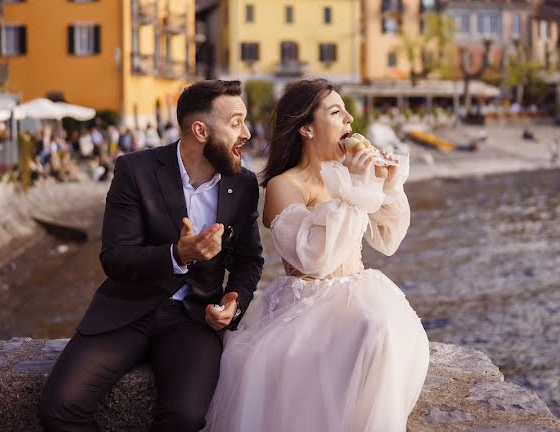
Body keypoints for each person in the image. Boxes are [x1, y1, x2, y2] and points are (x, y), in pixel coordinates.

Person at [37, 80, 264, 432]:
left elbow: (249, 260)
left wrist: (236, 299)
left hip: (193, 320)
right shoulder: (135, 170)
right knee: (59, 407)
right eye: (236, 123)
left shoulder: (244, 185)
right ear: (200, 130)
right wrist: (177, 254)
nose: (247, 133)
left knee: (186, 417)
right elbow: (115, 257)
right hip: (126, 311)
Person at [205, 78, 428, 431]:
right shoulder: (285, 186)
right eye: (337, 112)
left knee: (393, 331)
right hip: (308, 305)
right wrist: (354, 191)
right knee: (377, 330)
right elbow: (316, 260)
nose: (350, 120)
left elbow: (388, 239)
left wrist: (383, 184)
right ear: (306, 128)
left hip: (358, 291)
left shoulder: (345, 174)